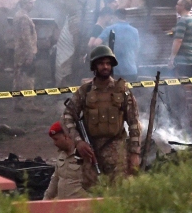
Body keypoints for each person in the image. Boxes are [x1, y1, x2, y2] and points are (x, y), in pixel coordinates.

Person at [61, 45, 142, 180]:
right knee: (93, 191)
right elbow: (67, 116)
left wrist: (135, 153)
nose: (105, 67)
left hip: (117, 153)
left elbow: (134, 123)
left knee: (119, 190)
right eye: (101, 63)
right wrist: (78, 142)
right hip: (90, 152)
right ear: (94, 66)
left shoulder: (122, 90)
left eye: (108, 63)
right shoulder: (85, 91)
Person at [43, 122, 97, 200]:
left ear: (66, 136)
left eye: (56, 139)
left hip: (81, 204)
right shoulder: (61, 155)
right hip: (63, 204)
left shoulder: (84, 154)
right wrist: (46, 199)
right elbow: (55, 180)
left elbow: (94, 182)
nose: (55, 143)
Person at [91, 8, 140, 79]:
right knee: (130, 87)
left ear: (115, 17)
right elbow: (137, 49)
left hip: (115, 71)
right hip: (131, 70)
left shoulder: (110, 29)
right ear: (125, 17)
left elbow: (96, 43)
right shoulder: (134, 31)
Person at [12, 0, 38, 92]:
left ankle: (18, 99)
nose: (32, 5)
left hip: (19, 50)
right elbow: (26, 38)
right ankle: (28, 99)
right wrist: (30, 54)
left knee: (18, 76)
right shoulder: (24, 18)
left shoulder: (18, 15)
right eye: (30, 3)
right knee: (28, 77)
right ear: (24, 4)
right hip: (25, 52)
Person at [170, 0, 192, 76]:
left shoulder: (182, 21)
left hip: (182, 61)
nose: (176, 6)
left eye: (178, 4)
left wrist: (172, 58)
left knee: (183, 82)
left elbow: (178, 40)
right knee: (190, 81)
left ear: (183, 7)